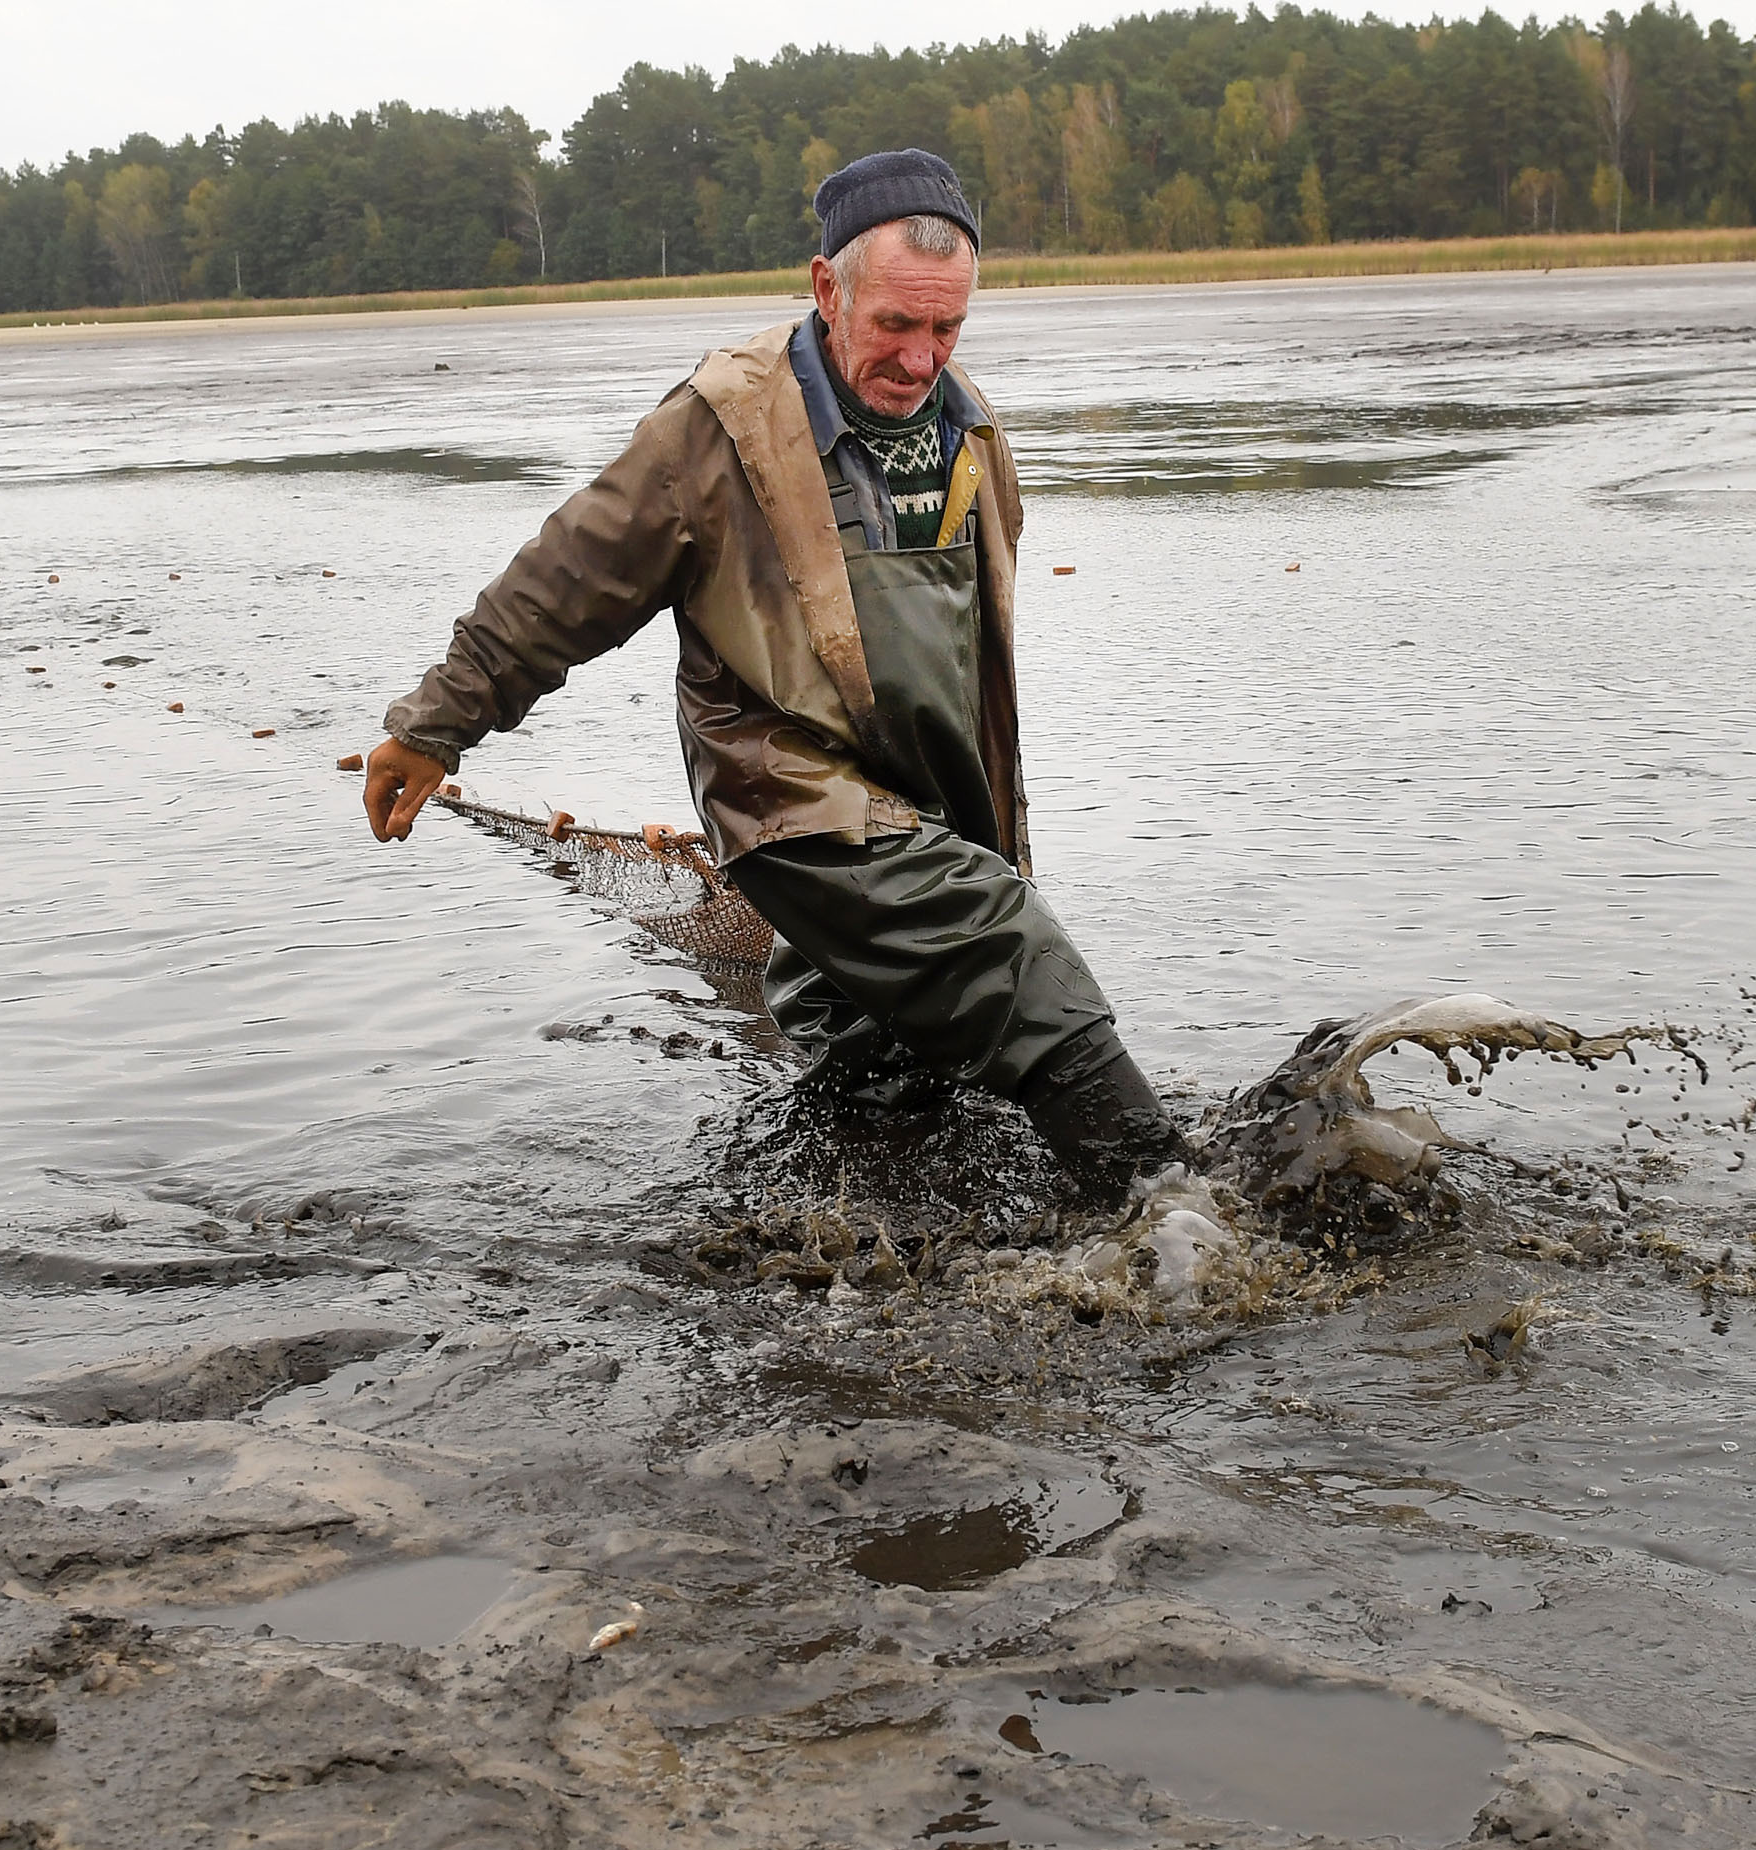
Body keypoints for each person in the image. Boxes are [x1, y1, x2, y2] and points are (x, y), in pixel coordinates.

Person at [358, 148, 1185, 1191]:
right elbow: (563, 585)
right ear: (826, 288)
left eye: (947, 328)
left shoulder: (965, 423)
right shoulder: (717, 429)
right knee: (1008, 954)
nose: (923, 359)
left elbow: (974, 656)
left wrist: (987, 828)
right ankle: (1171, 1207)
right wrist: (435, 725)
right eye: (896, 325)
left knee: (886, 1066)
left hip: (929, 793)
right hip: (785, 792)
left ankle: (855, 1219)